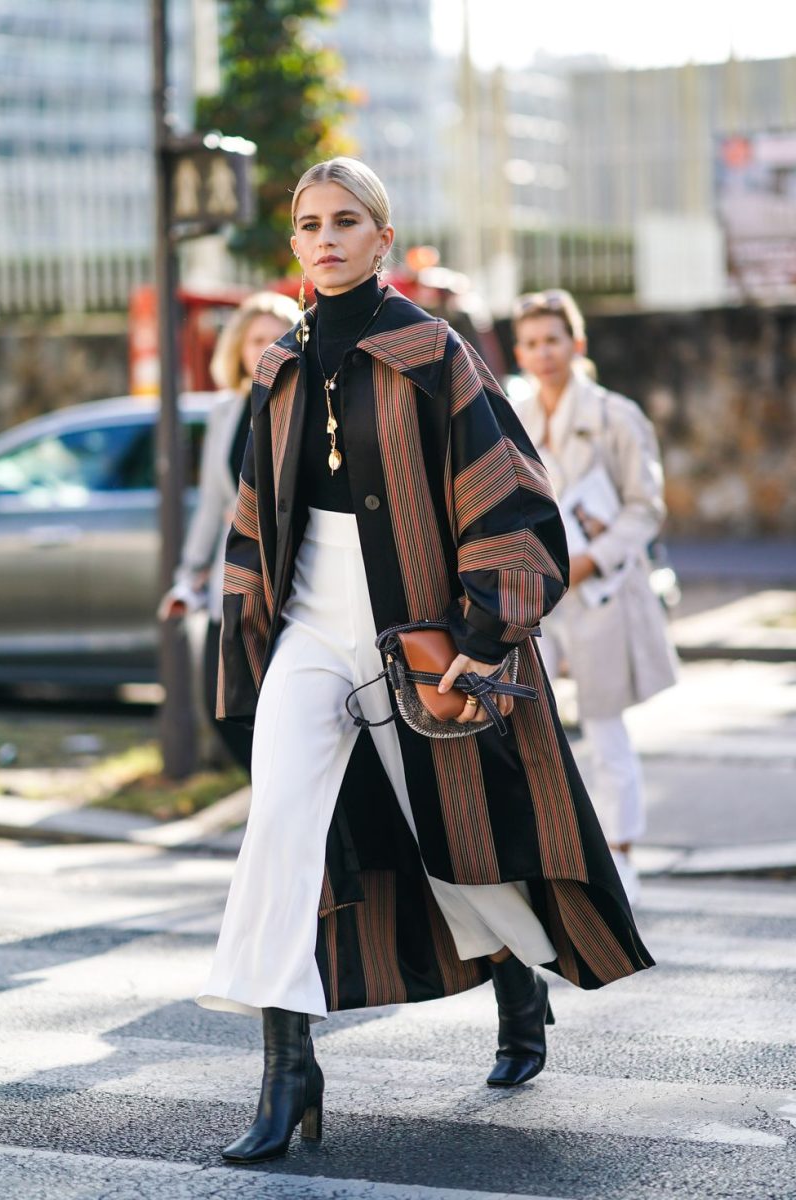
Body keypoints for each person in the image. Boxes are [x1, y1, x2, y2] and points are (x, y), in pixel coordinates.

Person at [196, 159, 653, 1164]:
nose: (324, 238)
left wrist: (487, 635)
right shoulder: (275, 366)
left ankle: (516, 979)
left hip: (415, 632)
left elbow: (510, 496)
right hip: (310, 630)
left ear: (381, 237)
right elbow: (248, 522)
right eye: (308, 223)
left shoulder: (430, 351)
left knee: (445, 831)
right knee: (278, 822)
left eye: (345, 221)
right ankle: (288, 1069)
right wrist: (237, 633)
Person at [509, 289, 678, 903]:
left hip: (601, 590)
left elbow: (646, 507)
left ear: (575, 344)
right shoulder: (514, 415)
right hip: (539, 598)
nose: (542, 352)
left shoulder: (616, 415)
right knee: (534, 733)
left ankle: (622, 857)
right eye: (530, 342)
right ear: (520, 351)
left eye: (553, 339)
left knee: (606, 732)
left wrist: (589, 560)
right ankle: (554, 863)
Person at [158, 291, 298, 770]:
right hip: (231, 577)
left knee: (284, 710)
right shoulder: (225, 411)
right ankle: (269, 801)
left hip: (288, 579)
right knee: (222, 707)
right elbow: (212, 503)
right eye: (255, 339)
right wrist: (190, 575)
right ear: (238, 348)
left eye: (275, 338)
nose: (265, 348)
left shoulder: (306, 404)